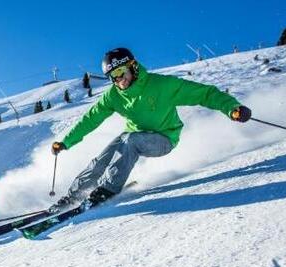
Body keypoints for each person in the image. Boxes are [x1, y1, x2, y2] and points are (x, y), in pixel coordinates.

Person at [51, 47, 251, 208]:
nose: (118, 80)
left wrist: (232, 108)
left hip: (164, 139)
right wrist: (66, 142)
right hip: (134, 136)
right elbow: (90, 119)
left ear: (133, 67)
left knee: (129, 141)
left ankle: (107, 189)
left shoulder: (161, 85)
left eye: (120, 72)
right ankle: (73, 196)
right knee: (105, 155)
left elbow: (204, 94)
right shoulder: (113, 96)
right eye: (112, 76)